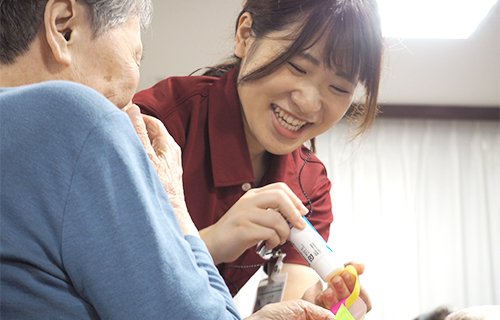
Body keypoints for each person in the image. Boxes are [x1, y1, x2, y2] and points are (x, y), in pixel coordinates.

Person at [0, 0, 338, 319]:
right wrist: (177, 210)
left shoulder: (311, 178)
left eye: (339, 88)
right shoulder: (81, 117)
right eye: (137, 55)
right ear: (64, 26)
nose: (131, 98)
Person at [133, 0, 384, 308]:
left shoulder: (309, 183)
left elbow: (290, 294)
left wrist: (312, 306)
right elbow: (103, 272)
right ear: (246, 35)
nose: (308, 103)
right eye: (298, 67)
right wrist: (211, 242)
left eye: (339, 88)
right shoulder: (157, 124)